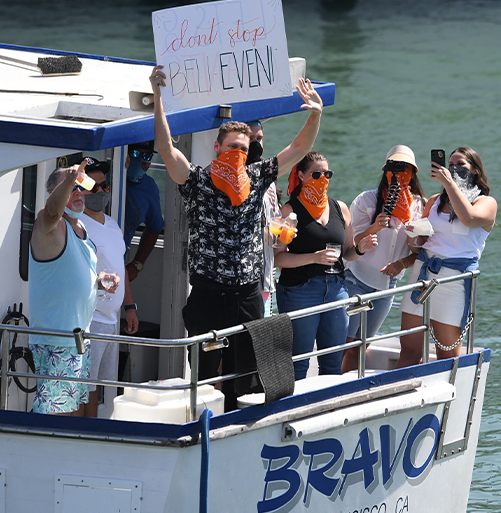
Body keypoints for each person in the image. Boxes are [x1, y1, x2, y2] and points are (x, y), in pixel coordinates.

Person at [148, 65, 324, 411]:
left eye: (243, 149)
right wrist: (157, 97)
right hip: (207, 294)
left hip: (247, 293)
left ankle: (238, 425)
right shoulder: (198, 181)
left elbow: (299, 148)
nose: (238, 155)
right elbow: (166, 149)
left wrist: (315, 114)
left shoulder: (257, 177)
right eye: (231, 148)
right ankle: (203, 425)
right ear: (217, 147)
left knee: (245, 375)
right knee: (203, 372)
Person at [274, 152, 378, 380]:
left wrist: (361, 248)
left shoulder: (340, 208)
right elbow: (277, 258)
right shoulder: (289, 212)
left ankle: (329, 409)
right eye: (316, 174)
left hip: (337, 288)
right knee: (299, 362)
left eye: (327, 174)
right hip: (300, 290)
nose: (323, 178)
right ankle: (295, 411)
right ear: (301, 175)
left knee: (332, 361)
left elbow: (348, 253)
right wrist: (313, 257)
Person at [28, 159, 120, 415]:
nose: (78, 192)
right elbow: (53, 210)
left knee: (76, 411)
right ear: (54, 194)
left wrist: (101, 281)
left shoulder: (80, 230)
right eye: (71, 188)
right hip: (57, 341)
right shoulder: (49, 224)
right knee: (56, 417)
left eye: (80, 187)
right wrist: (69, 178)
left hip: (79, 341)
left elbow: (74, 275)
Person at [396, 147, 496, 366]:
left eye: (461, 164)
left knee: (447, 355)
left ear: (476, 171)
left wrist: (449, 183)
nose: (453, 168)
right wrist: (414, 236)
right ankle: (398, 392)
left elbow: (468, 219)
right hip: (422, 275)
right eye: (450, 164)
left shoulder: (485, 203)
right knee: (409, 350)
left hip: (453, 280)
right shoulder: (434, 201)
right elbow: (421, 243)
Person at [340, 145, 426, 373]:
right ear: (385, 171)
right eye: (394, 168)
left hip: (386, 286)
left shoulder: (419, 206)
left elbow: (420, 252)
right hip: (355, 278)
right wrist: (374, 228)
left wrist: (401, 263)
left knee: (363, 344)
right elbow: (352, 242)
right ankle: (335, 385)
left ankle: (352, 386)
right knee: (347, 344)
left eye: (405, 169)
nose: (399, 175)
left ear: (413, 173)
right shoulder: (367, 200)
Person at [78, 157, 140, 418]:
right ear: (80, 190)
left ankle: (90, 432)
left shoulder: (113, 225)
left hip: (112, 320)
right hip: (89, 320)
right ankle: (80, 436)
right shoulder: (77, 226)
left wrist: (130, 307)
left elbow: (121, 268)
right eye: (95, 187)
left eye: (105, 186)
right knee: (84, 387)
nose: (102, 192)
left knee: (99, 387)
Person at [248, 120, 284, 317]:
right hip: (246, 280)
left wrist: (284, 232)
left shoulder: (269, 181)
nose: (256, 144)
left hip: (267, 277)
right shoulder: (234, 178)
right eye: (250, 139)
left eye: (259, 138)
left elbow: (275, 222)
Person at [123, 141, 165, 281]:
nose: (141, 159)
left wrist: (137, 264)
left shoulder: (149, 188)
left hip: (118, 259)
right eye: (135, 153)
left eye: (147, 156)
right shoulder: (103, 179)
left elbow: (155, 228)